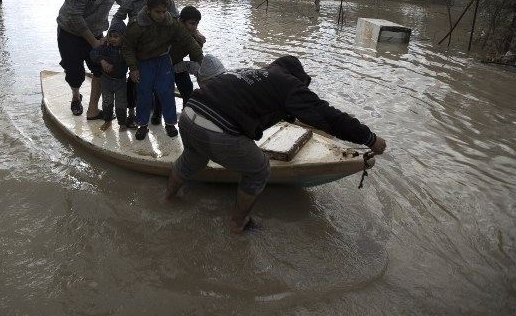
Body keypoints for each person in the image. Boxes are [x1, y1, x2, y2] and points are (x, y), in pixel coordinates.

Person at [165, 55, 387, 233]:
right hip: (215, 129)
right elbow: (327, 115)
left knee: (193, 158)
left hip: (188, 114)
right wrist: (369, 138)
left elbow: (264, 106)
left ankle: (167, 198)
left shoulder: (251, 73)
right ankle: (238, 223)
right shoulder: (289, 85)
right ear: (298, 78)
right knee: (259, 169)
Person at [56, 0, 126, 118]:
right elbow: (74, 15)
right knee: (75, 73)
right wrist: (94, 43)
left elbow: (124, 1)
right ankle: (75, 97)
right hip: (70, 32)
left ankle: (92, 110)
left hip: (96, 31)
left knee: (101, 69)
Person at [122, 0, 203, 141]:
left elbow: (189, 42)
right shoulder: (136, 25)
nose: (161, 15)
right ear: (148, 10)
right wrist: (133, 68)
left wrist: (203, 63)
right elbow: (127, 47)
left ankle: (170, 123)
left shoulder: (172, 22)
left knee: (167, 92)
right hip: (144, 61)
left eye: (164, 11)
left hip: (163, 60)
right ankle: (142, 125)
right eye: (157, 12)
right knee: (144, 93)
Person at [112, 0, 179, 127]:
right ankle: (131, 113)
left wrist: (194, 34)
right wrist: (117, 36)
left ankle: (157, 113)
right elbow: (117, 18)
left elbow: (176, 19)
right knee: (133, 80)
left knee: (160, 83)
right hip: (137, 49)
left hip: (159, 49)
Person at [89, 20, 129, 132]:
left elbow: (133, 60)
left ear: (123, 37)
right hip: (106, 81)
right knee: (107, 102)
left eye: (116, 36)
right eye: (110, 36)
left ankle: (122, 123)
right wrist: (102, 61)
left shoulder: (126, 49)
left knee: (121, 104)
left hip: (121, 81)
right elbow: (93, 53)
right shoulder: (105, 47)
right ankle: (107, 121)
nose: (112, 39)